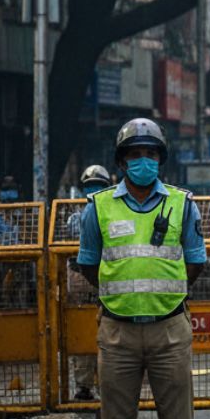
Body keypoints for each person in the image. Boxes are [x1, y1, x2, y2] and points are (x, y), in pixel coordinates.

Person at [76, 118, 209, 419]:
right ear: (121, 161)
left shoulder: (182, 204)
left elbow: (195, 263)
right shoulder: (97, 208)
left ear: (161, 160)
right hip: (117, 333)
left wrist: (160, 297)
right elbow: (89, 266)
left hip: (171, 330)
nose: (143, 162)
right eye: (135, 155)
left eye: (151, 154)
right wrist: (125, 301)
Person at [68, 165, 114, 401]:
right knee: (102, 332)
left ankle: (85, 385)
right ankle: (104, 384)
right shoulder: (111, 213)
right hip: (101, 277)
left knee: (84, 329)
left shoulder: (74, 217)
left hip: (81, 277)